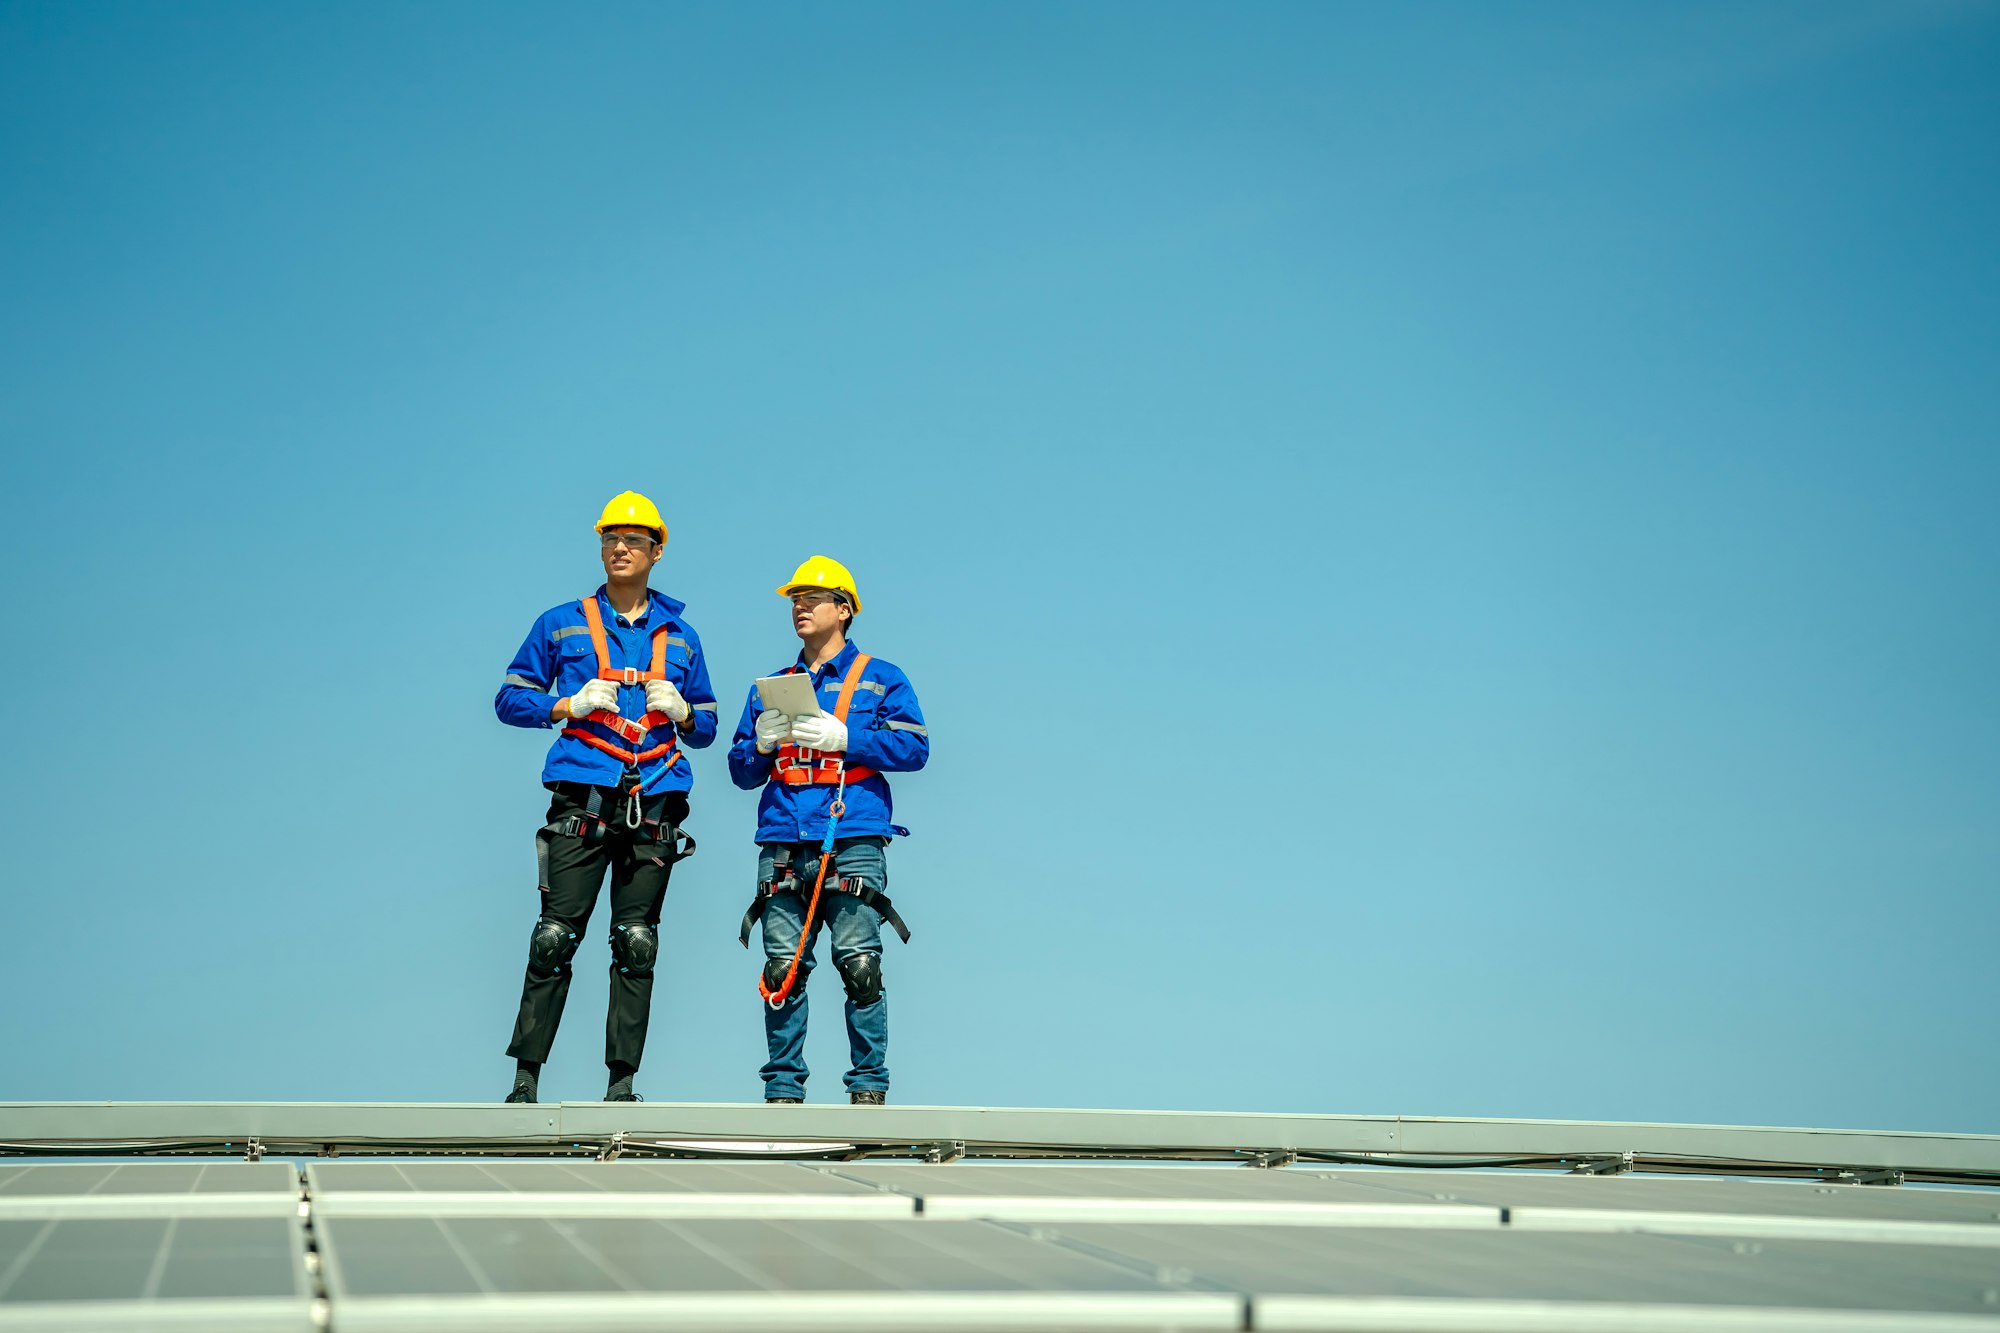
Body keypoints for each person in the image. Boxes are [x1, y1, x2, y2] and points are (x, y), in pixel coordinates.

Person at [493, 491, 718, 1103]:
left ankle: (621, 1086)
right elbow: (509, 699)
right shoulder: (559, 622)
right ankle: (525, 1079)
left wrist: (686, 713)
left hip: (656, 800)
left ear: (656, 551)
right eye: (610, 538)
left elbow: (710, 721)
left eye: (633, 540)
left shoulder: (683, 637)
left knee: (636, 940)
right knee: (554, 936)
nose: (619, 548)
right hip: (582, 798)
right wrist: (566, 703)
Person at [729, 556, 929, 1105]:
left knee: (860, 965)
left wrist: (848, 739)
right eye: (795, 598)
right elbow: (740, 770)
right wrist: (760, 745)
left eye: (812, 597)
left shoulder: (883, 679)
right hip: (783, 835)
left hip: (852, 833)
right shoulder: (773, 687)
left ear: (843, 609)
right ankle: (783, 1093)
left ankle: (868, 1090)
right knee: (781, 970)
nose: (799, 606)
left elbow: (916, 748)